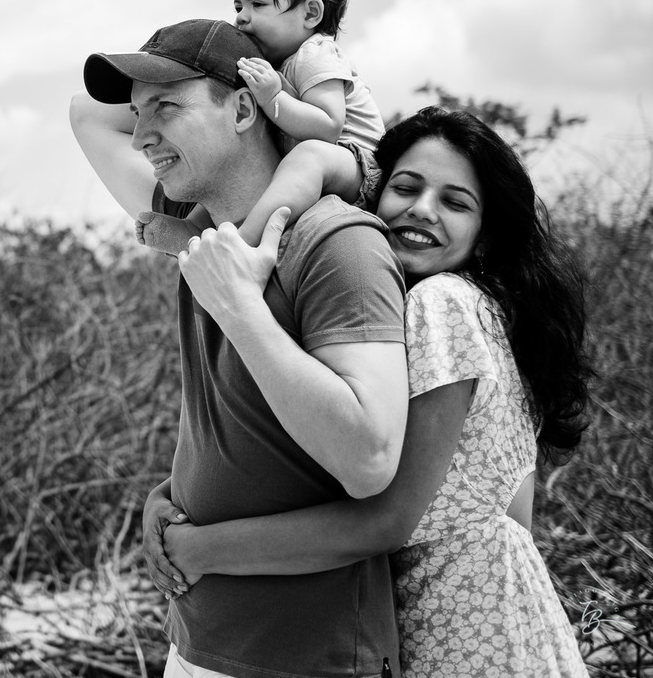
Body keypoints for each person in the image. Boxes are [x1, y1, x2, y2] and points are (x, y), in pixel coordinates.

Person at [146, 107, 593, 677]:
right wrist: (171, 493)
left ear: (486, 237)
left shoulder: (443, 305)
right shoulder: (476, 307)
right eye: (405, 187)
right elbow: (513, 514)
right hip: (507, 612)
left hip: (466, 631)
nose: (422, 210)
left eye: (456, 203)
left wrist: (202, 549)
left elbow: (384, 521)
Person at [70, 17, 409, 677]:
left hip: (309, 658)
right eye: (138, 114)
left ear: (246, 106)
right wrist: (173, 494)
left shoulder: (335, 241)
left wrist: (239, 306)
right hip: (201, 642)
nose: (140, 136)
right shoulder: (198, 234)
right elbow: (86, 111)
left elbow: (368, 458)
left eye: (165, 107)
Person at [137, 0, 385, 256]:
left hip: (361, 168)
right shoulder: (276, 65)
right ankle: (196, 229)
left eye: (258, 4)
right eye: (238, 5)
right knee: (235, 162)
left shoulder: (315, 54)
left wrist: (273, 99)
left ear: (311, 14)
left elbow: (328, 126)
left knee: (306, 158)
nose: (241, 16)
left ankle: (242, 243)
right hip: (319, 170)